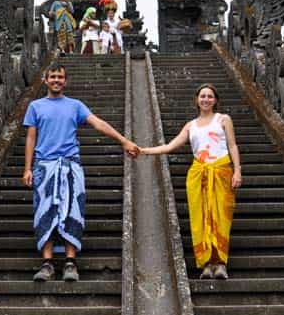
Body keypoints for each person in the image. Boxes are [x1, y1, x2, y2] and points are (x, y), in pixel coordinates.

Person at [23, 61, 139, 282]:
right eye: (53, 77)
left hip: (70, 165)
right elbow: (31, 137)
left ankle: (70, 263)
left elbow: (98, 124)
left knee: (72, 210)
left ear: (65, 81)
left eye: (60, 77)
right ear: (46, 80)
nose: (56, 80)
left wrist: (123, 141)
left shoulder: (76, 106)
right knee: (43, 213)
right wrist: (27, 168)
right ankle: (47, 264)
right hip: (44, 166)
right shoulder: (35, 106)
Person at [139, 84, 242, 279]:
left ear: (215, 100)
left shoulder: (223, 119)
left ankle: (220, 263)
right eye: (202, 96)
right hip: (198, 174)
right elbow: (170, 146)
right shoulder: (191, 125)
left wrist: (237, 171)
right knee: (200, 217)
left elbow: (232, 145)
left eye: (210, 96)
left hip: (221, 171)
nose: (206, 99)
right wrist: (143, 151)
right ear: (197, 100)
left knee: (220, 217)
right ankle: (205, 264)